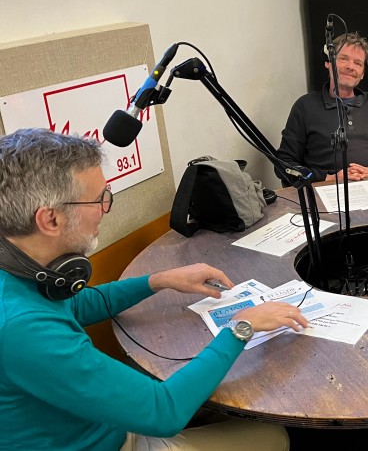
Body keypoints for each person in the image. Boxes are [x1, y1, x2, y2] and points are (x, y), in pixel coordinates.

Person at [0, 129, 310, 450]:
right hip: (110, 441)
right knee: (275, 436)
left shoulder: (19, 269)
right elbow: (164, 412)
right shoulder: (24, 329)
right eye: (99, 199)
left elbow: (78, 304)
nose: (106, 208)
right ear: (50, 219)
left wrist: (161, 279)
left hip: (105, 417)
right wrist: (241, 327)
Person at [276, 32, 368, 184]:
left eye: (358, 63)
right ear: (328, 62)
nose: (350, 67)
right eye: (343, 59)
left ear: (362, 74)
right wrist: (327, 178)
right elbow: (283, 163)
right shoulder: (305, 106)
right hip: (326, 191)